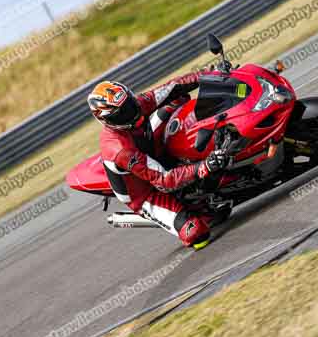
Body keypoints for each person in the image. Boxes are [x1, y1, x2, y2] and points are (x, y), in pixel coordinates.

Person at [87, 74, 230, 249]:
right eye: (122, 114)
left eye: (130, 105)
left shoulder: (137, 105)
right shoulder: (120, 149)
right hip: (145, 193)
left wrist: (211, 74)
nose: (132, 113)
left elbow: (173, 87)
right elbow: (165, 179)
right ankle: (194, 211)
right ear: (108, 122)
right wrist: (204, 166)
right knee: (196, 234)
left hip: (150, 151)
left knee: (179, 99)